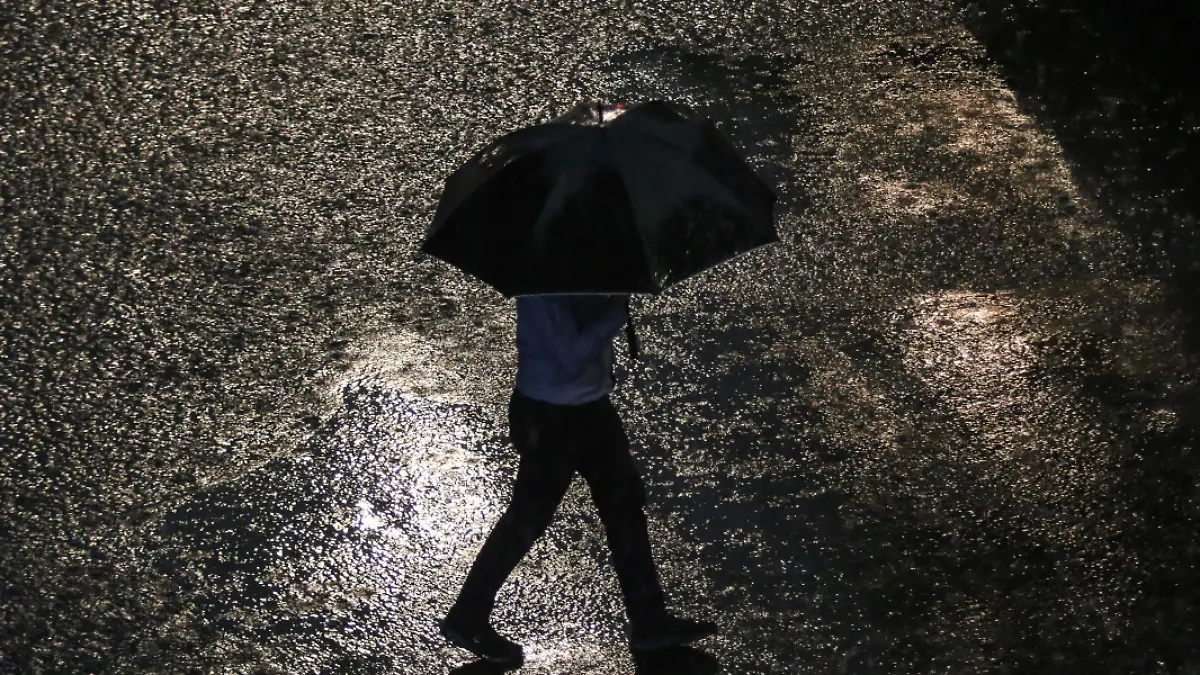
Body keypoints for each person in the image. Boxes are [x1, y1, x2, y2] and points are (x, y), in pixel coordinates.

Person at [440, 293, 717, 666]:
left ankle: (649, 619)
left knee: (625, 508)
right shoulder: (544, 287)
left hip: (591, 408)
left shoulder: (583, 268)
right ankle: (468, 615)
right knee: (527, 520)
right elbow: (571, 356)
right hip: (551, 417)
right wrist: (615, 312)